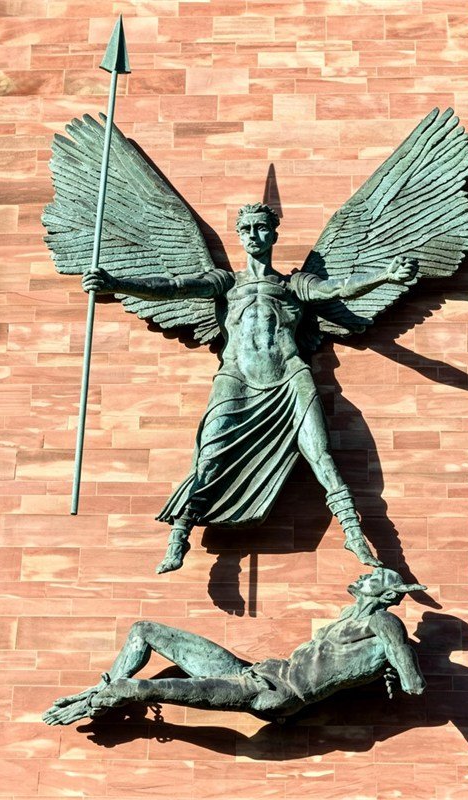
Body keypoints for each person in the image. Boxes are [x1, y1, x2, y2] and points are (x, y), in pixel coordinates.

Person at [82, 203, 418, 573]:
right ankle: (178, 539)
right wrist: (117, 284)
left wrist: (384, 276)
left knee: (320, 453)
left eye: (261, 228)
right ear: (239, 235)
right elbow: (174, 289)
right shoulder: (225, 283)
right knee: (208, 458)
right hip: (237, 379)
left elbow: (338, 289)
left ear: (274, 234)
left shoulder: (294, 285)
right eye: (246, 229)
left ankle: (355, 537)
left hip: (291, 377)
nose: (254, 236)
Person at [43, 567, 426, 725]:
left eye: (377, 576)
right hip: (256, 672)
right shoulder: (351, 617)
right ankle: (102, 688)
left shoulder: (385, 622)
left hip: (278, 692)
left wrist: (393, 662)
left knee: (144, 689)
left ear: (389, 593)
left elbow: (413, 682)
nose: (367, 573)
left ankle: (101, 700)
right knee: (144, 630)